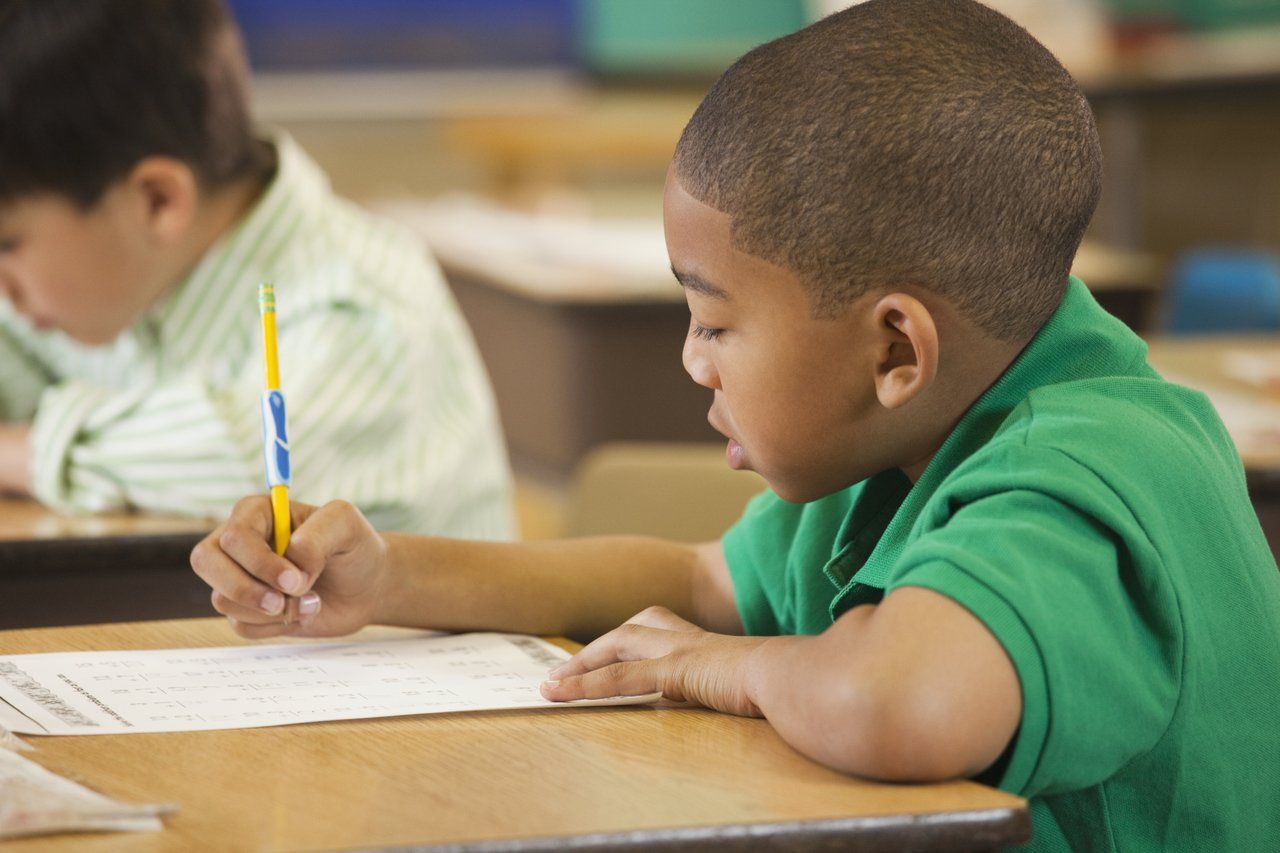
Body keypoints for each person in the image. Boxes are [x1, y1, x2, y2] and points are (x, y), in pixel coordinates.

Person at [190, 1, 1280, 849]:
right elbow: (695, 577)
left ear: (895, 349)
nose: (688, 357)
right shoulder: (915, 432)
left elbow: (895, 698)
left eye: (714, 323)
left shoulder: (1085, 467)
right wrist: (387, 580)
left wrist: (720, 667)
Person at [0, 0, 514, 539]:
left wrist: (16, 452)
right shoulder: (113, 280)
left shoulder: (363, 309)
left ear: (156, 202)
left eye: (7, 244)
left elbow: (245, 464)